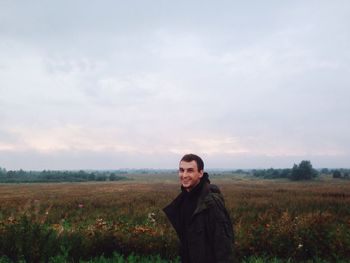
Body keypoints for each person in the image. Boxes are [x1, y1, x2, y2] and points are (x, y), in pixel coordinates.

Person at [163, 154, 235, 263]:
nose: (184, 175)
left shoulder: (211, 203)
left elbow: (223, 246)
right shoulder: (183, 199)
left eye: (190, 170)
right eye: (182, 170)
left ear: (200, 173)